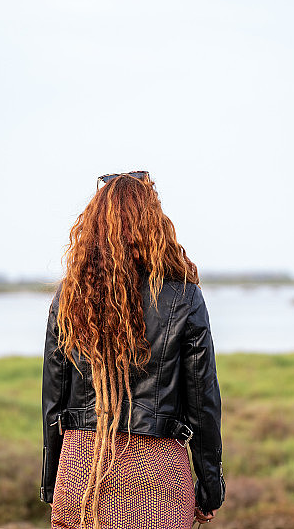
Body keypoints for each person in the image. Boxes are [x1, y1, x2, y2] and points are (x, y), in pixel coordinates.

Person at [40, 171, 225, 529]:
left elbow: (53, 402)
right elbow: (203, 404)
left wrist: (53, 481)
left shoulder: (69, 298)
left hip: (82, 468)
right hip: (159, 472)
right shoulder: (184, 297)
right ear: (155, 226)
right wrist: (210, 488)